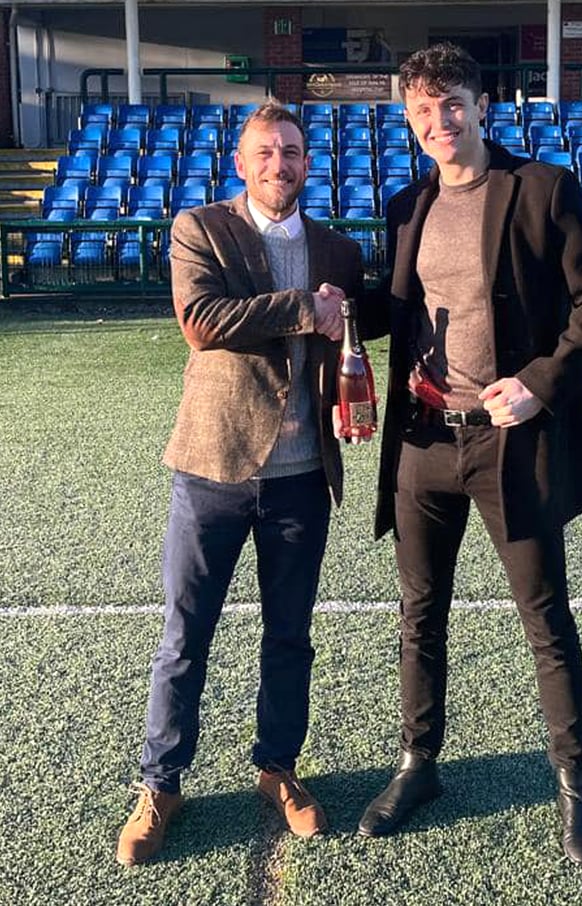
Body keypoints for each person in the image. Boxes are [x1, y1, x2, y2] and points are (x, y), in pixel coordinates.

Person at [354, 43, 582, 864]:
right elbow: (402, 308)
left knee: (544, 617)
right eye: (422, 110)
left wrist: (541, 383)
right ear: (408, 119)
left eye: (452, 104)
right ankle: (419, 764)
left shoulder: (541, 188)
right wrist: (334, 308)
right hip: (422, 438)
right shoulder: (407, 204)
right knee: (419, 614)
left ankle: (574, 783)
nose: (438, 121)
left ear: (482, 106)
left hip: (512, 441)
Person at [116, 103, 363, 866]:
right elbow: (202, 319)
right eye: (266, 152)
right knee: (185, 637)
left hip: (302, 477)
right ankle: (161, 784)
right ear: (241, 162)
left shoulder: (337, 249)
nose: (279, 164)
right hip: (213, 468)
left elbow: (356, 324)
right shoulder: (201, 228)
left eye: (291, 151)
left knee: (290, 636)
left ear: (307, 162)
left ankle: (277, 767)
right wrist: (306, 308)